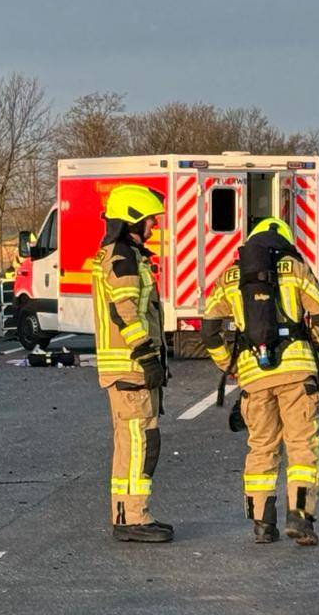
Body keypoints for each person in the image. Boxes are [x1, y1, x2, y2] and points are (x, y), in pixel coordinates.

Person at [201, 218, 319, 546]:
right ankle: (300, 517)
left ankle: (262, 524)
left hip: (253, 376)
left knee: (261, 447)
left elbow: (209, 332)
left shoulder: (229, 276)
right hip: (297, 373)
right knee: (301, 445)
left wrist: (230, 365)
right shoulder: (295, 269)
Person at [92, 184, 174, 544]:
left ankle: (126, 515)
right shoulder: (123, 257)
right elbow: (124, 311)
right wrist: (146, 354)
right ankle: (134, 517)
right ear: (132, 220)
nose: (154, 226)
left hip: (126, 369)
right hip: (131, 368)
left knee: (131, 445)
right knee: (141, 444)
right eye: (149, 220)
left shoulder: (122, 254)